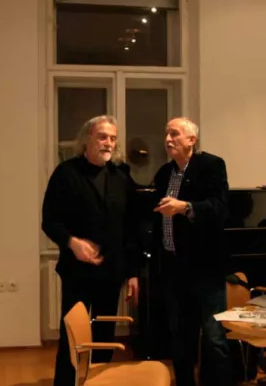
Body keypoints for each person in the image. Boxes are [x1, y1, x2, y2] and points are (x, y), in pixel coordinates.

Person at [42, 115, 141, 386]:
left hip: (112, 272)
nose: (108, 143)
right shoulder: (66, 173)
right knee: (72, 335)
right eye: (102, 137)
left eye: (112, 138)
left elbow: (131, 229)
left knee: (104, 335)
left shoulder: (121, 176)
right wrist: (73, 243)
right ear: (87, 138)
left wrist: (133, 272)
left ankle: (98, 381)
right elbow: (49, 221)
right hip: (77, 270)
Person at [152, 117, 232, 386]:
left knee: (213, 336)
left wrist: (185, 207)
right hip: (173, 268)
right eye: (166, 134)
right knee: (179, 337)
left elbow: (220, 208)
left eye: (174, 134)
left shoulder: (211, 166)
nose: (168, 139)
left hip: (205, 269)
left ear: (191, 140)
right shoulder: (164, 173)